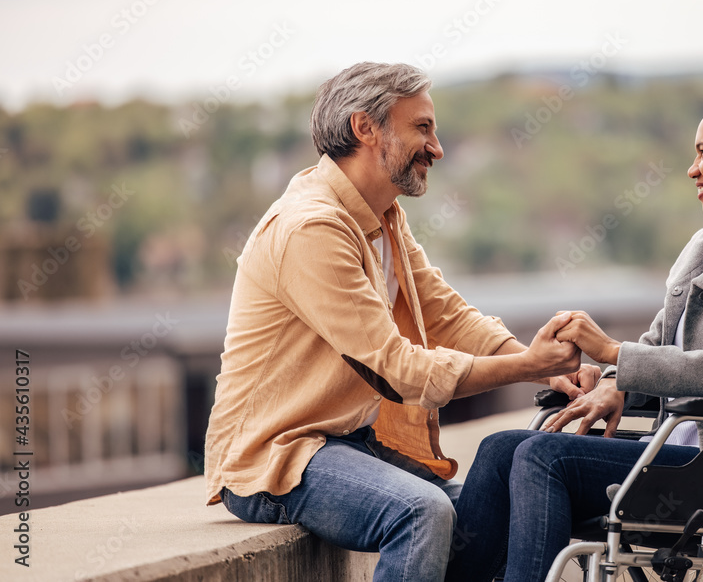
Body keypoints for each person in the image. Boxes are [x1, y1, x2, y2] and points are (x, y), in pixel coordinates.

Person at [446, 51, 703, 582]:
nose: (693, 168)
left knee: (544, 458)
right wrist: (614, 382)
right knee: (498, 449)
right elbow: (659, 345)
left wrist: (614, 352)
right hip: (680, 448)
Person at [203, 62, 599, 582]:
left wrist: (547, 371)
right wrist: (525, 365)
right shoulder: (311, 229)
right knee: (422, 513)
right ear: (365, 128)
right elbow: (398, 370)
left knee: (496, 497)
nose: (437, 148)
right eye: (423, 128)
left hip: (350, 443)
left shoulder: (382, 216)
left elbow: (444, 315)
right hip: (280, 453)